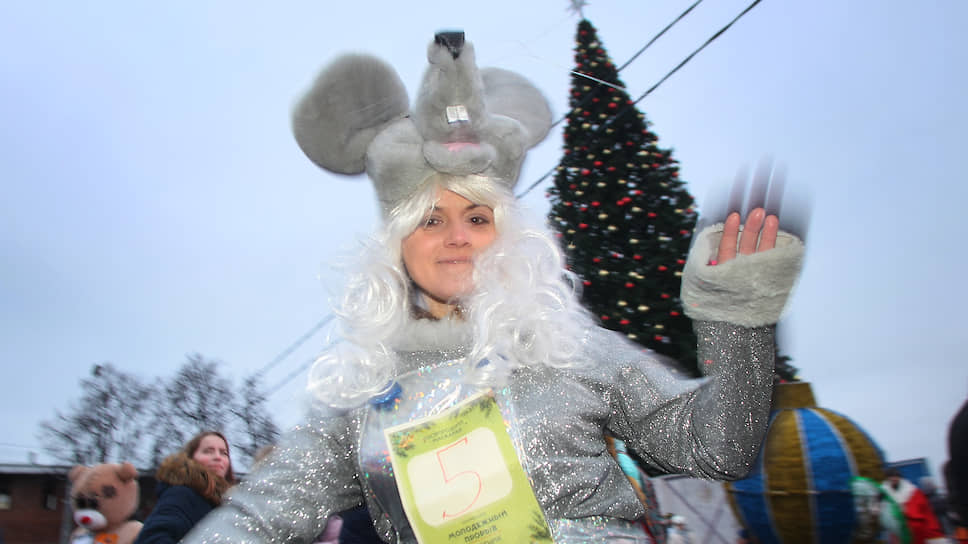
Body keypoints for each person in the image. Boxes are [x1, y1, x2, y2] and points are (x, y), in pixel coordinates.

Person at [183, 31, 803, 544]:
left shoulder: (569, 348)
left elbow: (716, 450)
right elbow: (259, 514)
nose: (457, 237)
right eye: (431, 219)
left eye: (477, 217)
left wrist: (739, 325)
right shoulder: (362, 393)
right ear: (396, 242)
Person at [134, 431, 235, 544]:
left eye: (224, 453)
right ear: (191, 458)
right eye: (208, 451)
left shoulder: (229, 504)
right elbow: (153, 538)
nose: (218, 457)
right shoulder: (182, 494)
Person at [882, 469, 948, 544]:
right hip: (898, 532)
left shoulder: (913, 492)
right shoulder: (885, 494)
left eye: (896, 476)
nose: (893, 479)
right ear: (887, 479)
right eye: (891, 477)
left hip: (918, 531)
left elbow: (923, 512)